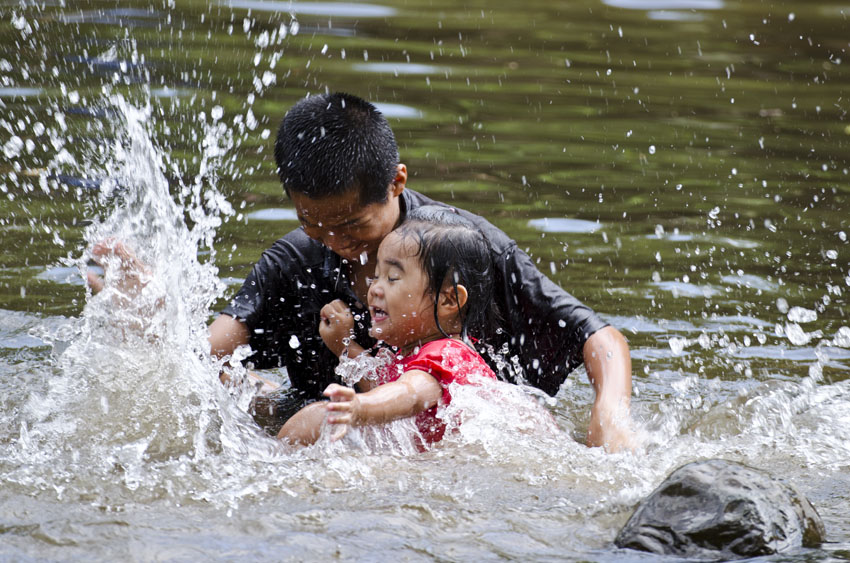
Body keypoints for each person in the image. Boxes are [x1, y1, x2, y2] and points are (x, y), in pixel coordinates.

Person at [90, 92, 634, 452]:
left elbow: (599, 336)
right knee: (238, 391)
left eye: (353, 225)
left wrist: (609, 411)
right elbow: (205, 353)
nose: (336, 244)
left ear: (396, 183)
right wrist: (154, 321)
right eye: (313, 223)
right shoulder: (295, 260)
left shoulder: (463, 250)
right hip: (323, 422)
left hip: (440, 433)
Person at [278, 206, 502, 446]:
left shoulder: (448, 355)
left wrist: (362, 407)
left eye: (392, 278)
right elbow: (385, 389)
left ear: (448, 300)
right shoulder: (416, 353)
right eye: (376, 276)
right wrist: (344, 346)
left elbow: (411, 395)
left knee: (319, 418)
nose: (374, 288)